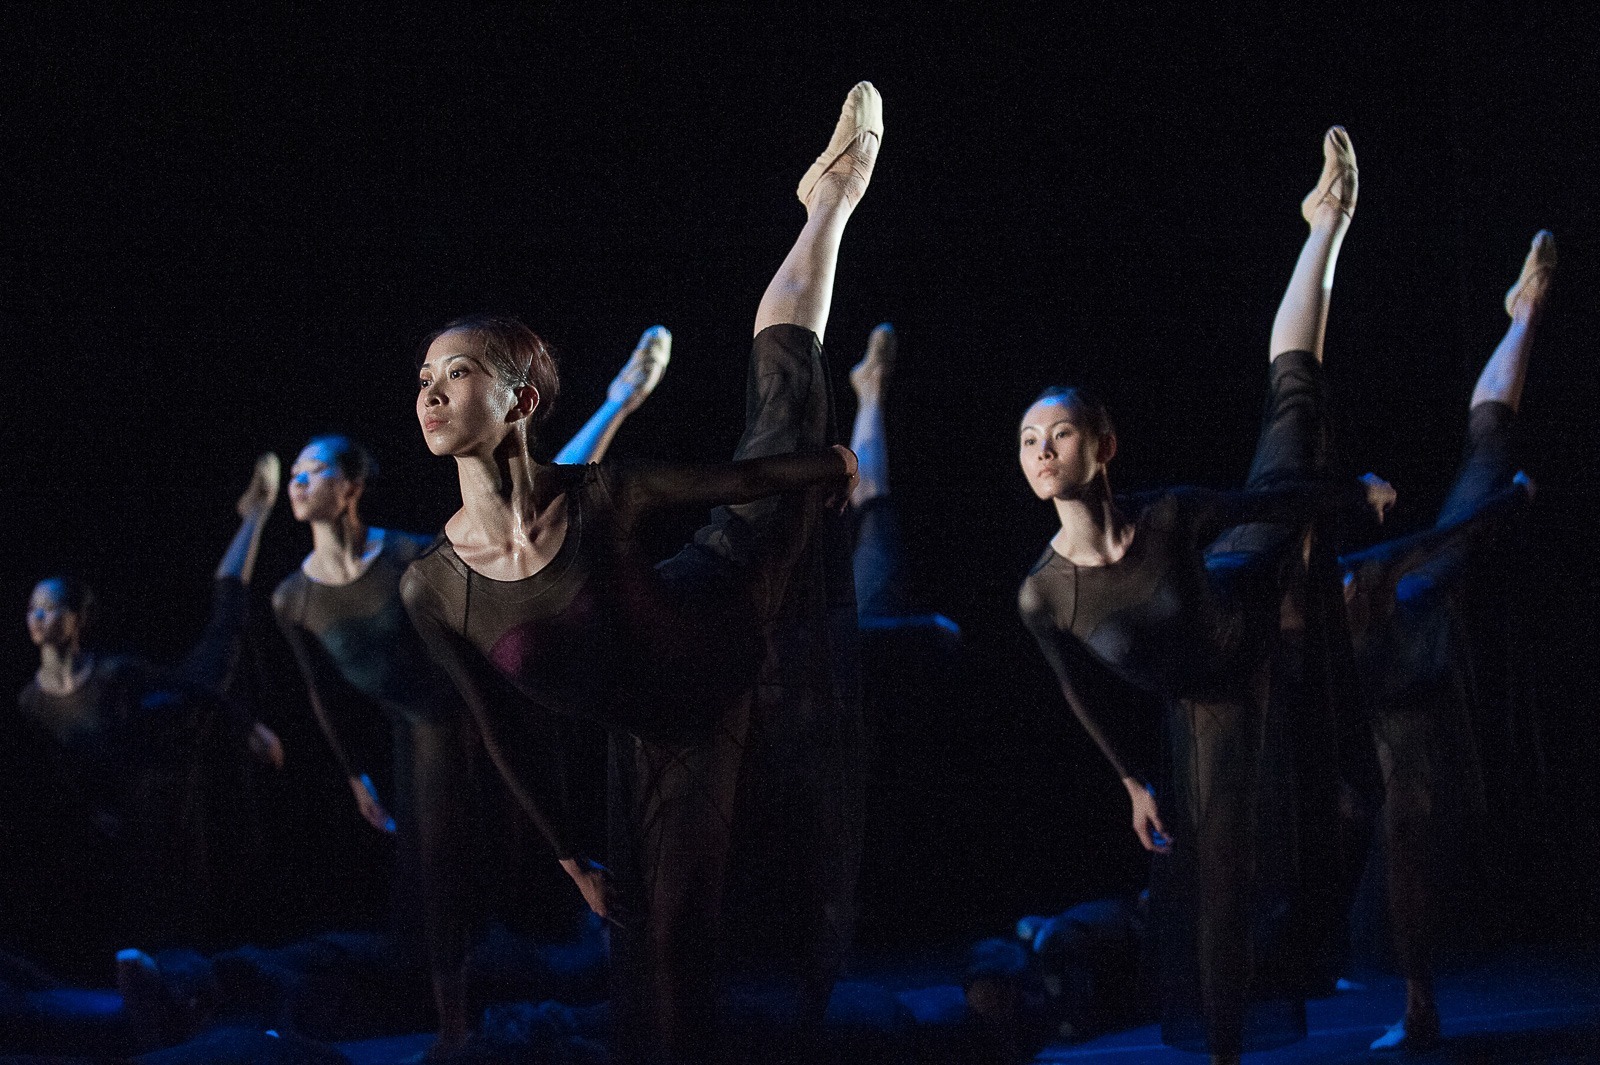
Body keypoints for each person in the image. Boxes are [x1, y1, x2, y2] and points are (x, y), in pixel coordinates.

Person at [400, 83, 879, 1062]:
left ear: (521, 399)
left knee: (782, 397)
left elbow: (736, 475)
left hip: (725, 600)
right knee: (671, 942)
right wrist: (569, 854)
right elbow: (501, 733)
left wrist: (822, 464)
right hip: (671, 731)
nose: (430, 391)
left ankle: (828, 203)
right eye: (423, 379)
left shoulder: (594, 495)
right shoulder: (431, 586)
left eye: (454, 373)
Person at [1017, 128, 1391, 1063]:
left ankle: (1326, 225)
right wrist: (1131, 781)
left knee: (1290, 414)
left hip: (1245, 591)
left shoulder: (1172, 515)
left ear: (1102, 446)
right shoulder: (1042, 595)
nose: (1042, 450)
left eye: (1060, 433)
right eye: (1027, 441)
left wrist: (1355, 493)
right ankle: (1226, 1051)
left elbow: (1270, 500)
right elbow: (1076, 690)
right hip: (1206, 699)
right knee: (1218, 881)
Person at [270, 327, 671, 1057]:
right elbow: (322, 696)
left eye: (313, 470)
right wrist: (355, 773)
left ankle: (614, 984)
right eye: (292, 474)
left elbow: (515, 524)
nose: (297, 483)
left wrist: (617, 407)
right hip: (418, 736)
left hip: (487, 712)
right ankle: (454, 1028)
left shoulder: (406, 559)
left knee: (541, 867)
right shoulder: (293, 597)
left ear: (351, 485)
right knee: (437, 882)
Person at [1340, 231, 1553, 1054]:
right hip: (1379, 679)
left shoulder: (1390, 583)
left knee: (1484, 467)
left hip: (1401, 670)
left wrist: (1505, 502)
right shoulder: (1345, 593)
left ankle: (1525, 313)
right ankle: (1526, 314)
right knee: (1485, 468)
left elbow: (1451, 530)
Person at [17, 456, 282, 977]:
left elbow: (191, 690)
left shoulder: (113, 671)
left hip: (175, 734)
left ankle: (256, 514)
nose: (38, 618)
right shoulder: (31, 700)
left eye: (50, 609)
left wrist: (249, 727)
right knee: (145, 887)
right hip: (133, 792)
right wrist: (94, 808)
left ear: (76, 621)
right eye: (33, 610)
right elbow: (60, 770)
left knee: (225, 626)